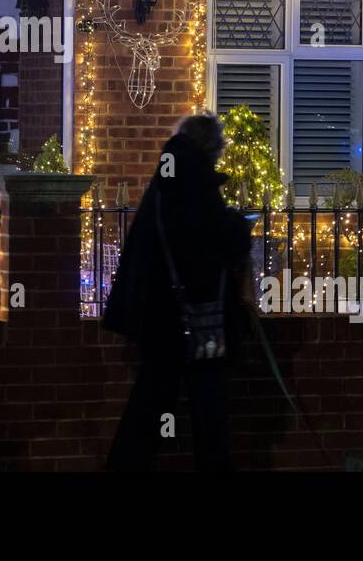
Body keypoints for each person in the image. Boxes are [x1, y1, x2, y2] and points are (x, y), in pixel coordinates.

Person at [103, 112, 253, 472]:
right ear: (210, 148)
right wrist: (236, 224)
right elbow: (213, 241)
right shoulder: (195, 182)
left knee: (150, 401)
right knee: (208, 409)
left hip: (156, 315)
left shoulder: (166, 178)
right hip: (192, 319)